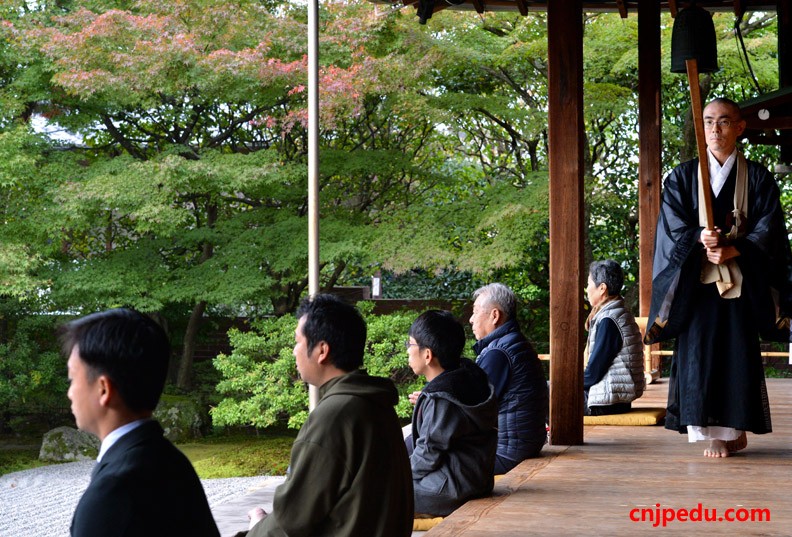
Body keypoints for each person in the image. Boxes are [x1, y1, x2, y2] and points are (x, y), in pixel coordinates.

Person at [645, 97, 792, 458]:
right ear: (701, 128)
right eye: (709, 121)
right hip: (697, 284)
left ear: (740, 127)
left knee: (736, 353)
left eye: (724, 121)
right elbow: (671, 227)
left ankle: (733, 430)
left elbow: (769, 228)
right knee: (696, 353)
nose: (715, 129)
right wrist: (699, 238)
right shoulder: (681, 177)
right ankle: (709, 432)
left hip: (740, 282)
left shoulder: (757, 177)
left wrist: (735, 249)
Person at [244, 294, 414, 536]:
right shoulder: (375, 405)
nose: (293, 352)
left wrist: (254, 529)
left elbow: (291, 521)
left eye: (297, 342)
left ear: (322, 350)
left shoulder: (334, 417)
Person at [64, 308, 220, 537]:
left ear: (103, 389)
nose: (69, 393)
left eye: (71, 379)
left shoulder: (113, 491)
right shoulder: (172, 461)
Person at [406, 310, 498, 517]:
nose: (407, 351)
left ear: (427, 354)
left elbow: (427, 455)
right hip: (475, 480)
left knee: (374, 493)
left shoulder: (441, 398)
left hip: (449, 490)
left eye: (410, 345)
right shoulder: (470, 376)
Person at [469, 283, 548, 473]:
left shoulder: (499, 352)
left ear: (495, 315)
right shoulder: (512, 343)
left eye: (475, 312)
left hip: (506, 453)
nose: (471, 319)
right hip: (523, 445)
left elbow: (472, 408)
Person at [583, 260, 645, 416]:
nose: (587, 289)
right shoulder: (617, 312)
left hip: (606, 401)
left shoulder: (609, 320)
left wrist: (567, 384)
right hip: (614, 397)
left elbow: (593, 374)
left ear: (602, 288)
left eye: (589, 284)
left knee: (546, 391)